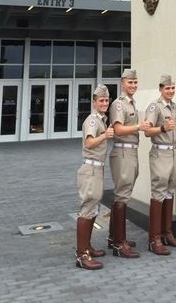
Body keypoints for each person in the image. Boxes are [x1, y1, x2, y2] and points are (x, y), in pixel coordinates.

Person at [108, 69, 150, 258]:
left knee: (123, 195)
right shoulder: (119, 104)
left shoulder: (131, 103)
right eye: (129, 83)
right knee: (122, 196)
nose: (133, 86)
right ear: (122, 83)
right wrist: (138, 127)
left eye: (135, 82)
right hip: (123, 151)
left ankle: (114, 237)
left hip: (130, 151)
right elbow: (118, 128)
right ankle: (119, 243)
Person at [144, 74, 176, 255]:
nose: (170, 91)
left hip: (173, 151)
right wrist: (162, 128)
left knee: (170, 191)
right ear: (160, 89)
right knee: (159, 192)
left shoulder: (174, 106)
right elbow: (146, 131)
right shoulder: (155, 106)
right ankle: (154, 239)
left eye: (172, 88)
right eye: (167, 88)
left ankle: (167, 233)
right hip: (160, 152)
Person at [76, 84, 115, 270]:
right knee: (87, 209)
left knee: (93, 209)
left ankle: (88, 246)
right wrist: (105, 135)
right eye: (101, 100)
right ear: (94, 102)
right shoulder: (92, 121)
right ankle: (82, 254)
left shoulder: (102, 119)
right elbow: (89, 142)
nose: (105, 103)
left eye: (107, 100)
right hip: (90, 169)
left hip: (97, 169)